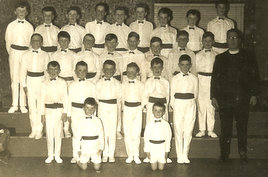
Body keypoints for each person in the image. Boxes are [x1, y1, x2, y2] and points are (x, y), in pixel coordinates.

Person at [211, 29, 258, 162]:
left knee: (242, 127)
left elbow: (254, 77)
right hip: (225, 99)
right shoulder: (220, 58)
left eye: (235, 37)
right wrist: (213, 96)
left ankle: (242, 152)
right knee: (225, 129)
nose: (232, 40)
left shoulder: (248, 57)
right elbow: (215, 79)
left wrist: (254, 94)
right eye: (230, 37)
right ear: (227, 40)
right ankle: (224, 154)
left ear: (240, 40)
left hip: (242, 98)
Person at [5, 1, 34, 113]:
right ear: (15, 11)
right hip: (14, 53)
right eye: (19, 10)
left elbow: (31, 43)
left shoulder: (30, 26)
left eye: (23, 11)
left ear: (27, 12)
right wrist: (12, 54)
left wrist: (27, 55)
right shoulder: (11, 26)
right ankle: (14, 104)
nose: (21, 12)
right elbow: (8, 42)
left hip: (25, 53)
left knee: (24, 78)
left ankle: (23, 105)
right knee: (14, 78)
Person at [20, 33, 49, 139]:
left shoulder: (45, 55)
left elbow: (47, 71)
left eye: (38, 40)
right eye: (33, 40)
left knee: (41, 106)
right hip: (30, 81)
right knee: (32, 106)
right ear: (31, 42)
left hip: (41, 81)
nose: (35, 43)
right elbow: (22, 70)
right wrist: (24, 84)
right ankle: (34, 129)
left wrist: (46, 83)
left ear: (41, 42)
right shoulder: (26, 55)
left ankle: (40, 129)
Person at [170, 54, 198, 164]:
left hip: (190, 104)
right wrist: (175, 106)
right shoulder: (175, 78)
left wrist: (191, 104)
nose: (185, 67)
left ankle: (185, 154)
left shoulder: (194, 79)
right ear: (178, 65)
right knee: (178, 130)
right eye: (182, 65)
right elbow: (172, 94)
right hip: (178, 104)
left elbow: (195, 94)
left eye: (187, 65)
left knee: (188, 131)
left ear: (190, 65)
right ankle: (179, 155)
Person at [68, 61, 96, 164]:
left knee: (87, 134)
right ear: (75, 71)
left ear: (87, 72)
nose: (82, 73)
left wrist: (93, 115)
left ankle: (86, 155)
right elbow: (68, 101)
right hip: (75, 112)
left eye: (84, 71)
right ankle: (75, 155)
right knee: (76, 134)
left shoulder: (92, 85)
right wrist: (69, 114)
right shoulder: (71, 85)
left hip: (87, 112)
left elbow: (94, 101)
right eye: (79, 70)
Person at [143, 58, 171, 163]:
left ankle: (165, 155)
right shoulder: (148, 81)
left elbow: (167, 96)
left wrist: (165, 107)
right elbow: (145, 95)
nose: (157, 69)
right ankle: (148, 155)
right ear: (151, 68)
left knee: (163, 129)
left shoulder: (166, 82)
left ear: (162, 68)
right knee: (151, 128)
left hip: (162, 106)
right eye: (155, 67)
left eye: (159, 67)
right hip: (151, 107)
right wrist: (146, 107)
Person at [40, 61, 68, 164]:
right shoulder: (43, 83)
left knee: (58, 132)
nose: (53, 72)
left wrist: (65, 112)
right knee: (49, 133)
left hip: (59, 110)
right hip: (48, 110)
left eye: (55, 69)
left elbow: (65, 98)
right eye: (51, 69)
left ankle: (57, 155)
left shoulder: (63, 82)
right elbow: (41, 100)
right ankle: (50, 155)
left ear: (59, 71)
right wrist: (42, 114)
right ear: (47, 71)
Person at [51, 31, 76, 138]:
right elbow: (50, 70)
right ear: (58, 42)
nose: (63, 43)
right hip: (58, 82)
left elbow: (75, 71)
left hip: (70, 81)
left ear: (69, 42)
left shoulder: (74, 55)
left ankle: (66, 128)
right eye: (61, 40)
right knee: (60, 105)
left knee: (68, 105)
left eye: (66, 41)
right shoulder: (54, 55)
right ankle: (59, 127)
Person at [96, 60, 121, 163]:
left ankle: (111, 154)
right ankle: (105, 153)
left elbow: (119, 98)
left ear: (115, 70)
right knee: (104, 131)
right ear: (102, 70)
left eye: (111, 69)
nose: (108, 71)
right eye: (106, 69)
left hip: (113, 107)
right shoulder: (98, 83)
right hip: (102, 106)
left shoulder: (117, 83)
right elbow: (96, 97)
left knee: (112, 131)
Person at [195, 32, 218, 138]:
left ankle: (210, 129)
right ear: (202, 42)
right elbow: (195, 71)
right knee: (201, 105)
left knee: (210, 106)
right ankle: (202, 129)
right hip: (200, 80)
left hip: (212, 80)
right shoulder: (197, 55)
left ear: (213, 42)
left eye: (210, 41)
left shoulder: (216, 55)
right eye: (205, 41)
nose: (207, 43)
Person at [122, 63, 145, 164]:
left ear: (137, 73)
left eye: (132, 71)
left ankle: (136, 155)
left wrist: (140, 107)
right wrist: (124, 108)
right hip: (127, 108)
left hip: (137, 109)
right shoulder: (123, 84)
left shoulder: (141, 85)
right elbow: (121, 98)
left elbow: (144, 98)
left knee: (136, 132)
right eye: (128, 71)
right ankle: (130, 154)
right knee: (128, 133)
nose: (130, 73)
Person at [77, 97, 104, 173]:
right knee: (84, 168)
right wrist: (78, 150)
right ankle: (79, 161)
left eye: (92, 108)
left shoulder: (98, 120)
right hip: (85, 147)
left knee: (97, 168)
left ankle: (94, 160)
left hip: (95, 146)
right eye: (87, 108)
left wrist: (101, 148)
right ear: (83, 108)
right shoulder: (80, 121)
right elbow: (77, 137)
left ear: (95, 109)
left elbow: (101, 135)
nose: (89, 110)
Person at [144, 102, 172, 171]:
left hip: (162, 147)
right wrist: (147, 151)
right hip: (152, 147)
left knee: (161, 168)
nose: (158, 112)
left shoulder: (166, 124)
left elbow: (168, 139)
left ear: (163, 112)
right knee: (153, 169)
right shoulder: (149, 124)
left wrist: (166, 152)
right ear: (152, 111)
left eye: (160, 111)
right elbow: (146, 138)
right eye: (156, 110)